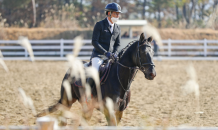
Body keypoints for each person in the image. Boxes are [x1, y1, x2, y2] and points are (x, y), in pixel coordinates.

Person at [90, 2, 122, 72]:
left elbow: (117, 44)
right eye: (115, 13)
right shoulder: (99, 25)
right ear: (109, 13)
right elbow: (94, 42)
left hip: (111, 57)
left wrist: (115, 53)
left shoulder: (118, 28)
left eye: (118, 14)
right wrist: (105, 53)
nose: (117, 16)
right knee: (95, 74)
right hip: (99, 56)